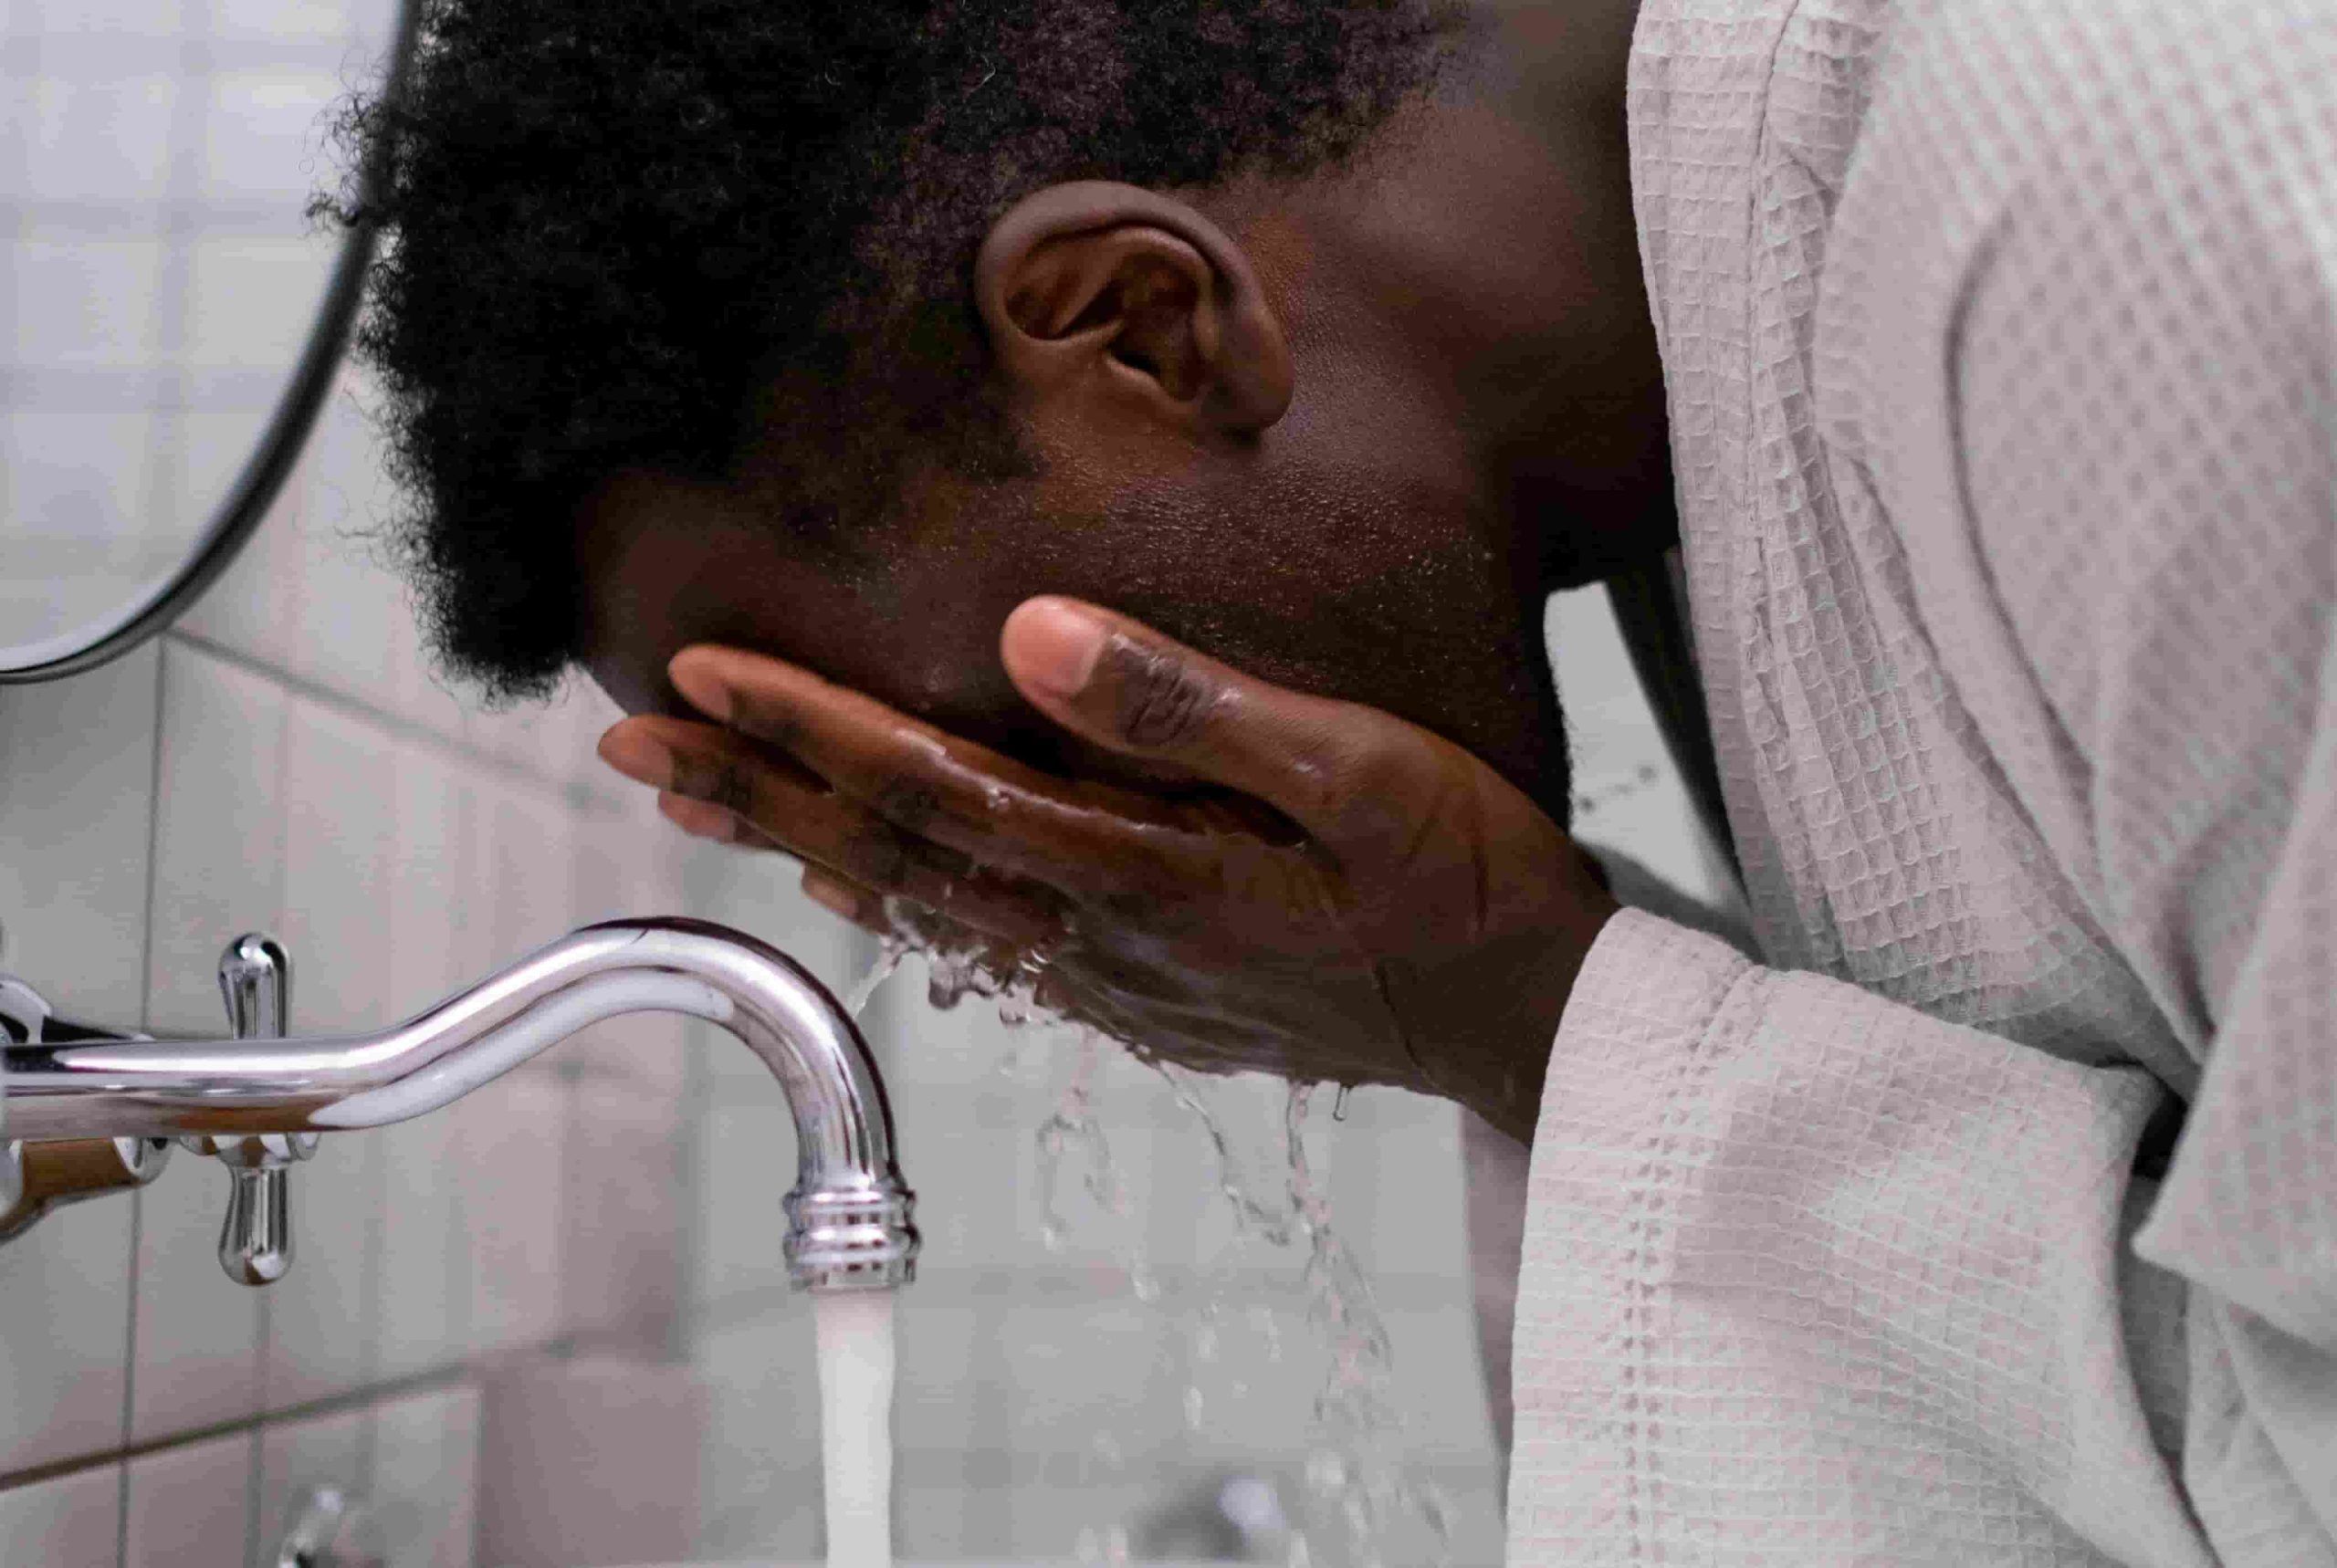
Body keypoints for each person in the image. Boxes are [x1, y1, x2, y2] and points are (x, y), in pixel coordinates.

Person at [326, 0, 2337, 1561]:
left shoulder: (2098, 192)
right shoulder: (1697, 403)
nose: (1056, 894)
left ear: (1140, 320)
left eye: (997, 757)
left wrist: (1539, 1018)